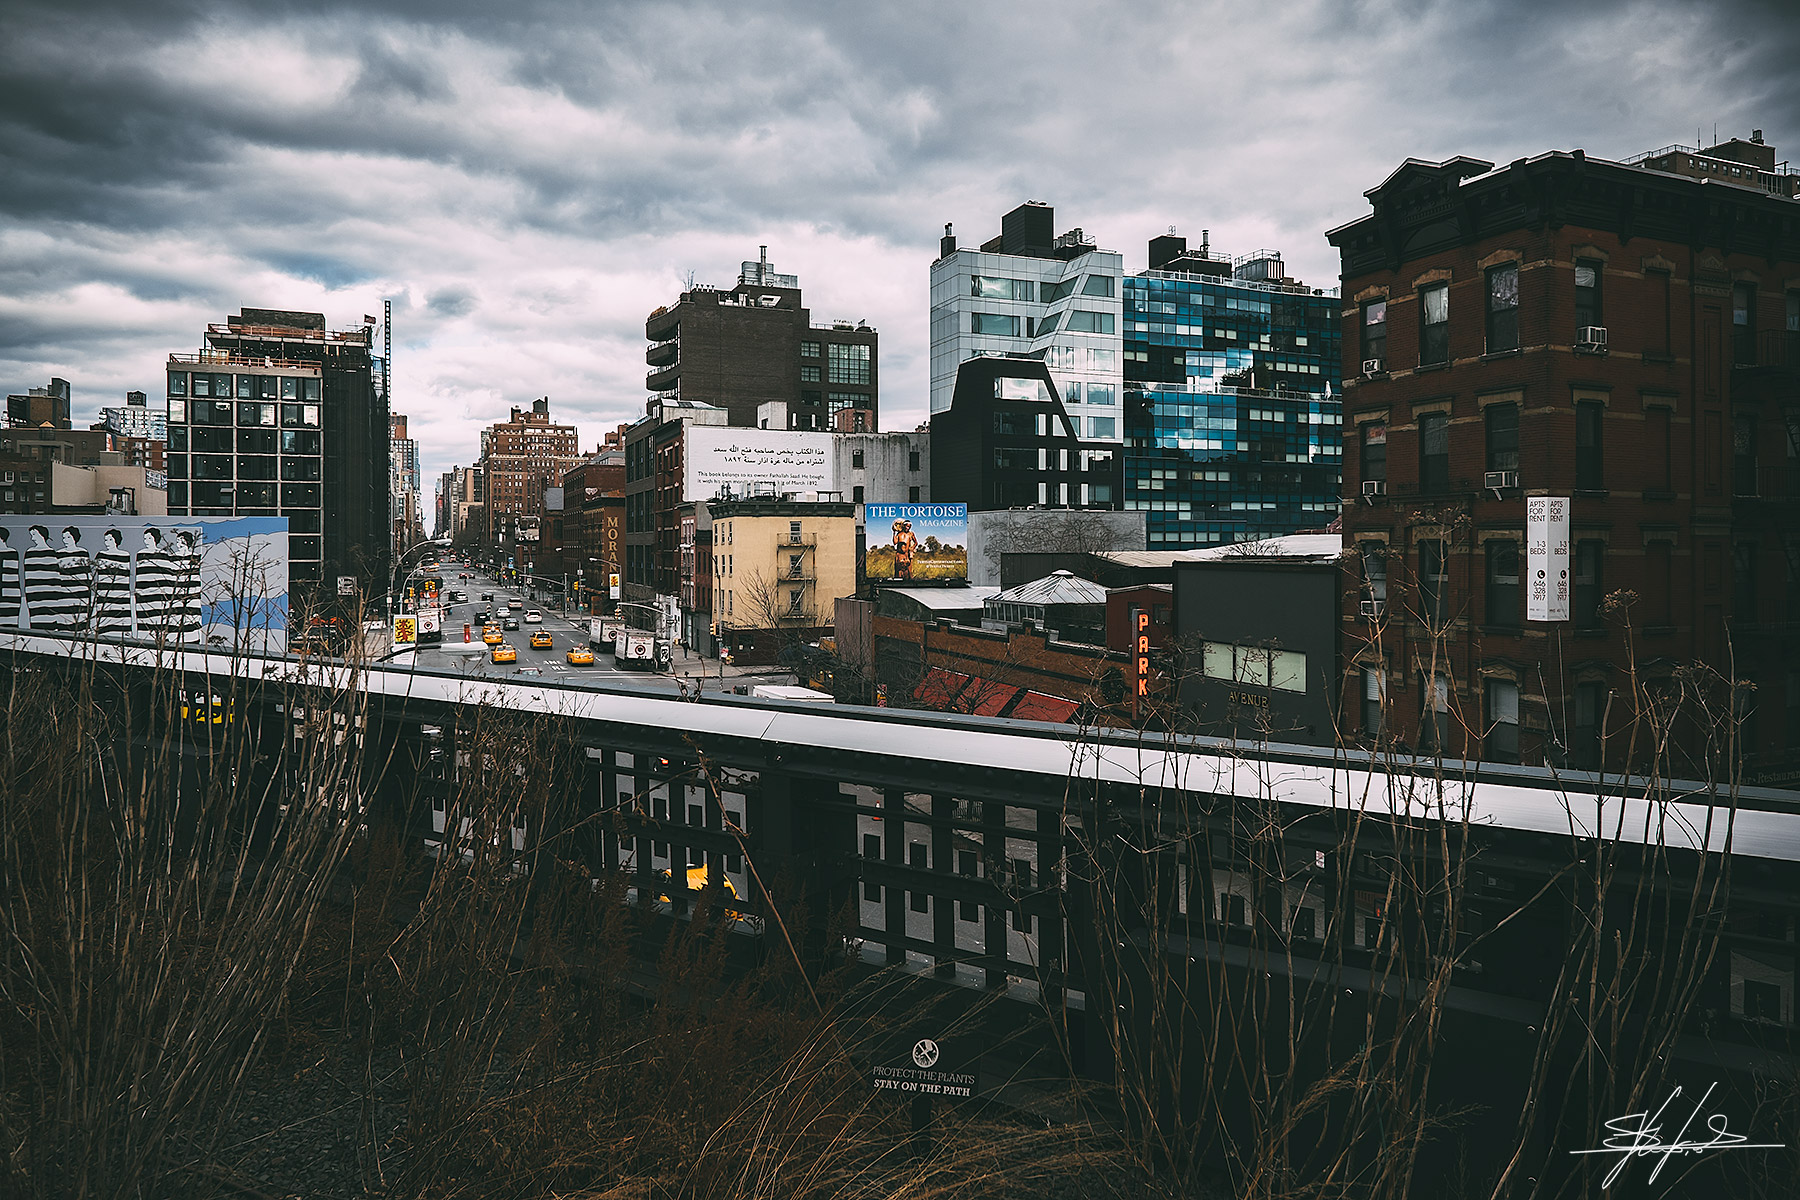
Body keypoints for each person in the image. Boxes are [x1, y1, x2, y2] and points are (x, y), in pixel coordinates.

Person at [23, 525, 70, 631]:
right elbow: (28, 576)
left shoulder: (52, 553)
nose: (32, 538)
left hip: (51, 596)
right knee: (37, 623)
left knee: (51, 622)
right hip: (35, 595)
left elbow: (57, 576)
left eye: (34, 535)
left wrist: (57, 594)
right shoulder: (30, 552)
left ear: (42, 535)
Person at [93, 529, 134, 637]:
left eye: (110, 539)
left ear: (116, 540)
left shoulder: (125, 555)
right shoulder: (101, 555)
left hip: (120, 594)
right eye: (106, 540)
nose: (107, 542)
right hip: (104, 594)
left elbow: (125, 575)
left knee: (121, 622)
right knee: (105, 622)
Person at [0, 527, 18, 625]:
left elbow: (9, 575)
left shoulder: (10, 553)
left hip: (9, 596)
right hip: (10, 594)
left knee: (9, 625)